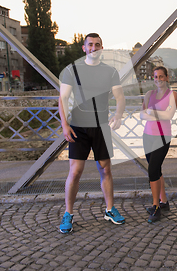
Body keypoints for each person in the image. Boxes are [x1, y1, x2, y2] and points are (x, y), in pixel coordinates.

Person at [58, 33, 126, 233]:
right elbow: (62, 99)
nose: (94, 48)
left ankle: (109, 209)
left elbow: (120, 97)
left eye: (97, 45)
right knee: (75, 171)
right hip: (78, 126)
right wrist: (65, 125)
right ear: (84, 48)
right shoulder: (72, 70)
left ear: (101, 48)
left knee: (105, 169)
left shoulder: (110, 71)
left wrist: (119, 114)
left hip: (101, 126)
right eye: (90, 45)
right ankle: (68, 214)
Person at [140, 66, 177, 223]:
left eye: (162, 76)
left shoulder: (172, 95)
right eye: (156, 76)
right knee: (156, 169)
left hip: (163, 136)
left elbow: (169, 114)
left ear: (167, 78)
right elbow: (142, 114)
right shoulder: (149, 94)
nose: (158, 79)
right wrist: (156, 114)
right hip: (147, 135)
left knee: (153, 170)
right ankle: (164, 202)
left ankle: (155, 207)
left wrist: (152, 113)